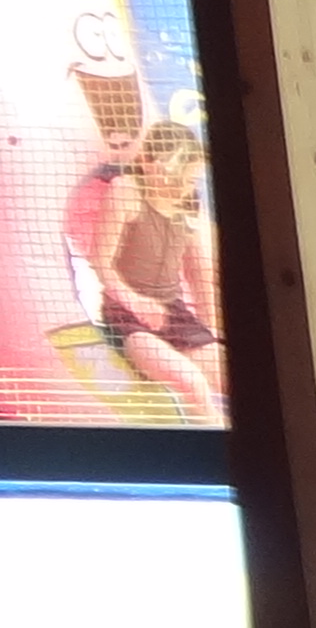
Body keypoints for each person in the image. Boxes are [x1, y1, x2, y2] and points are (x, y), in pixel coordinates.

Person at [75, 117, 223, 418]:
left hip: (173, 313)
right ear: (145, 162)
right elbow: (100, 262)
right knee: (193, 383)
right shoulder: (126, 193)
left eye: (189, 180)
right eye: (173, 177)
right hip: (127, 317)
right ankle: (213, 444)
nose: (181, 188)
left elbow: (198, 273)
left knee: (228, 371)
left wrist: (211, 327)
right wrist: (136, 303)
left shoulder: (188, 201)